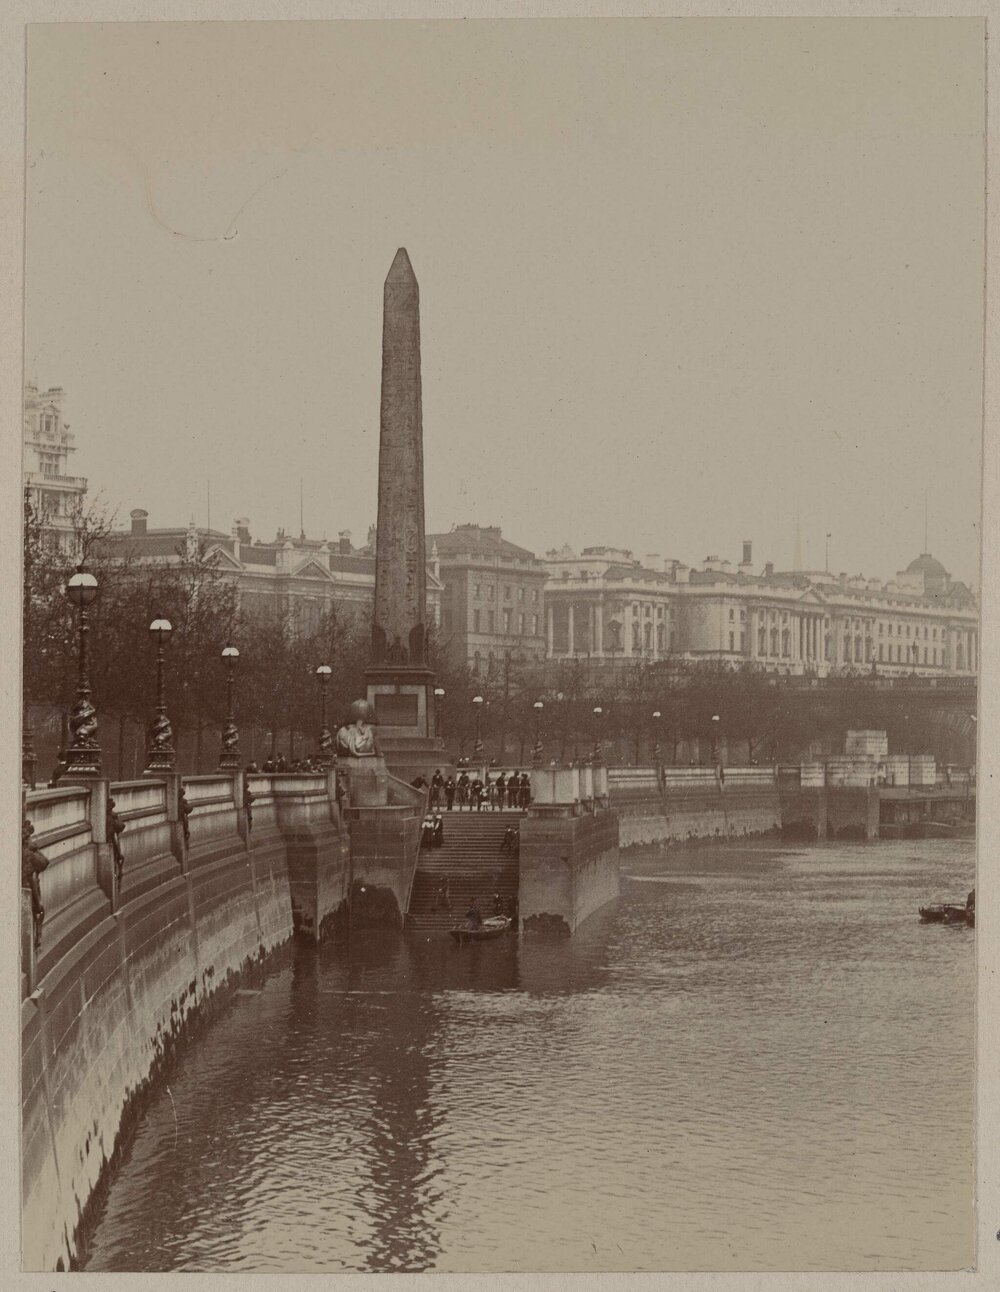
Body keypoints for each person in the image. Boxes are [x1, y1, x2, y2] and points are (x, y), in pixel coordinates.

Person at [22, 818, 49, 950]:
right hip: (29, 890)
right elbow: (44, 863)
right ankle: (37, 936)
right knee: (40, 909)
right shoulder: (29, 854)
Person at [107, 796, 126, 888]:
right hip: (112, 847)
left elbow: (121, 826)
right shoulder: (112, 818)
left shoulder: (111, 818)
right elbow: (121, 826)